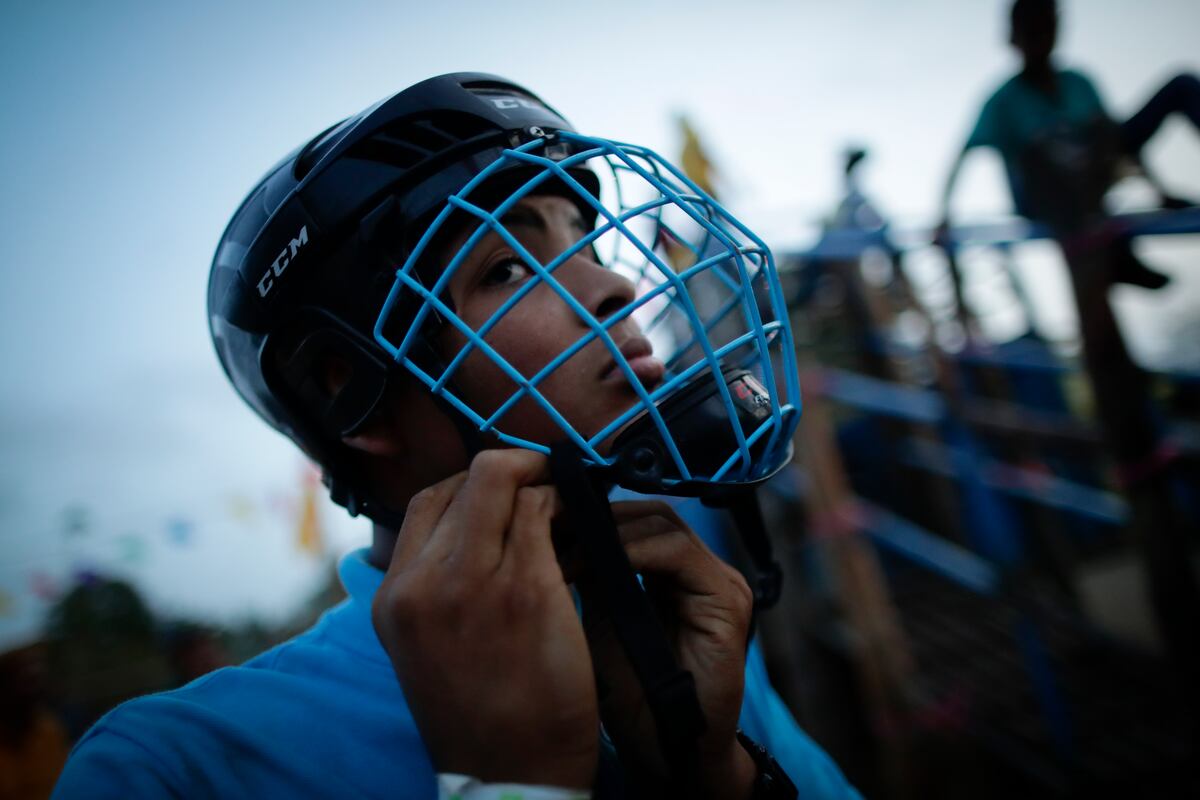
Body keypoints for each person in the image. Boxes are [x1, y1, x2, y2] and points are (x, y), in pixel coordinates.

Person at [53, 73, 861, 799]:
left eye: (585, 240)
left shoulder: (669, 616)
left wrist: (718, 779)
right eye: (507, 267)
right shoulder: (173, 767)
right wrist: (512, 788)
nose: (612, 284)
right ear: (352, 391)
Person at [937, 0, 1200, 288]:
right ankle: (1114, 252)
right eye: (1031, 31)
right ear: (1014, 37)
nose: (1040, 40)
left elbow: (1114, 143)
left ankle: (1114, 250)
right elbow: (964, 157)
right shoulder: (1002, 101)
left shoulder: (1078, 82)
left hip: (1088, 175)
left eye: (1046, 28)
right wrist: (943, 217)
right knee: (1043, 155)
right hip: (1042, 195)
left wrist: (1159, 192)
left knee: (1181, 86)